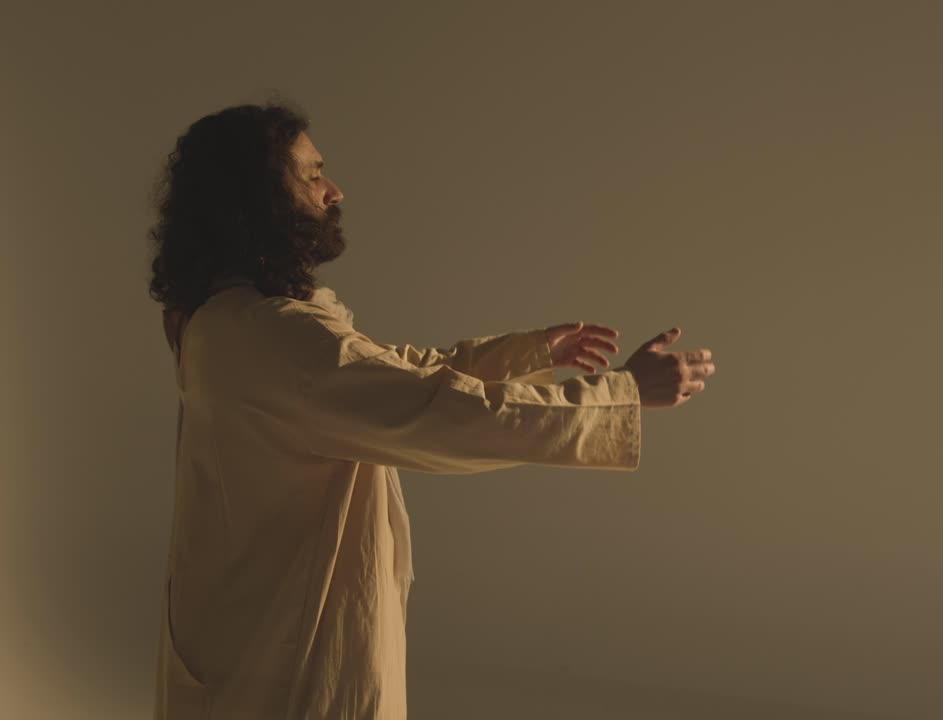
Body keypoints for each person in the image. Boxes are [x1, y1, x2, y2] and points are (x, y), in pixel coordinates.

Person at [147, 100, 716, 719]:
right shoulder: (278, 337)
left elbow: (384, 370)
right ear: (254, 194)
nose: (334, 191)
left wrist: (526, 351)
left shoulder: (222, 320)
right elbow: (444, 413)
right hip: (290, 667)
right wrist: (623, 392)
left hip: (247, 642)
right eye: (311, 174)